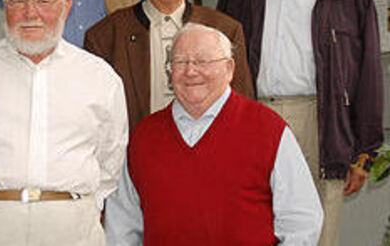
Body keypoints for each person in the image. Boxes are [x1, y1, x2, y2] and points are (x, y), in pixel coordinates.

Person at [216, 0, 383, 246]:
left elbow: (368, 73)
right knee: (253, 228)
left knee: (319, 233)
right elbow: (219, 66)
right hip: (252, 119)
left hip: (323, 125)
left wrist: (365, 150)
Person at [0, 0, 128, 246]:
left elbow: (111, 160)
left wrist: (76, 204)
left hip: (71, 228)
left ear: (66, 5)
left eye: (44, 1)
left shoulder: (99, 77)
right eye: (18, 1)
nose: (30, 13)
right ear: (4, 5)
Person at [105, 23, 323, 245]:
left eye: (202, 61)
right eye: (180, 62)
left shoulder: (269, 130)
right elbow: (122, 225)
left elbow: (301, 220)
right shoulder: (144, 137)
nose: (190, 71)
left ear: (229, 68)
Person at [85, 0, 254, 129]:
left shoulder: (226, 30)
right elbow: (95, 118)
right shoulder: (105, 37)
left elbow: (244, 111)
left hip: (211, 155)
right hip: (138, 156)